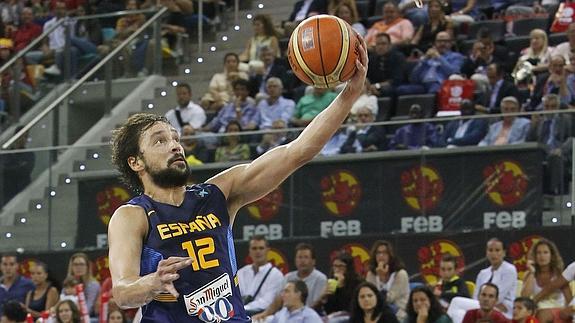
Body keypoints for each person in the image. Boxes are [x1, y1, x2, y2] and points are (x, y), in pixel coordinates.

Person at [107, 37, 368, 322]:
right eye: (160, 141)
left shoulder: (218, 192)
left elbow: (298, 151)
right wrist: (151, 283)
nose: (174, 145)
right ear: (136, 162)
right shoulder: (133, 215)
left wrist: (349, 95)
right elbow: (122, 291)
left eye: (175, 138)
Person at [252, 243, 328, 321]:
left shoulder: (320, 278)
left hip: (309, 315)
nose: (302, 261)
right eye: (299, 257)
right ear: (295, 260)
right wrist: (264, 314)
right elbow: (278, 300)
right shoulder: (288, 277)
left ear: (313, 261)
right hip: (287, 314)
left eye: (306, 257)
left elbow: (317, 304)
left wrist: (297, 312)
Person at [520, 238, 570, 323]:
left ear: (551, 255)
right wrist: (532, 272)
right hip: (536, 311)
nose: (542, 256)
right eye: (538, 253)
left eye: (545, 252)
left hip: (558, 311)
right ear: (534, 256)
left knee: (542, 314)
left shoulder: (559, 275)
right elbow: (525, 297)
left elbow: (569, 299)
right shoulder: (529, 274)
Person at [398, 32, 464, 95]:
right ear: (435, 43)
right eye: (439, 41)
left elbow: (452, 73)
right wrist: (424, 59)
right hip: (422, 84)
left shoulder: (456, 56)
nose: (442, 43)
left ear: (451, 43)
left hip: (439, 84)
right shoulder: (427, 57)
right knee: (401, 89)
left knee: (434, 89)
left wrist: (439, 57)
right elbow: (413, 78)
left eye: (445, 41)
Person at [237, 235, 284, 315]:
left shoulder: (276, 275)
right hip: (240, 315)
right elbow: (236, 295)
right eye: (254, 248)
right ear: (249, 251)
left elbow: (267, 301)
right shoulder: (241, 272)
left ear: (267, 250)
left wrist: (243, 308)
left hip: (264, 316)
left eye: (261, 248)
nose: (258, 251)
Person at [365, 240, 410, 321]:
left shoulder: (400, 274)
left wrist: (382, 278)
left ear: (390, 255)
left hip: (398, 312)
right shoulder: (371, 274)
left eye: (385, 253)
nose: (381, 256)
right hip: (377, 312)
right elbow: (368, 295)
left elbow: (388, 299)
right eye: (378, 253)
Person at [314, 252, 363, 318]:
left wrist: (341, 287)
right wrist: (325, 296)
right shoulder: (331, 281)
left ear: (348, 267)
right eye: (335, 266)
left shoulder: (358, 283)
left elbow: (350, 307)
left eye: (340, 266)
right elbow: (328, 309)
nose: (337, 269)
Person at [1, 126, 35, 207]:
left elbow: (26, 170)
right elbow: (3, 169)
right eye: (21, 136)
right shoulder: (5, 154)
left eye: (25, 136)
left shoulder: (29, 155)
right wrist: (19, 166)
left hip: (22, 190)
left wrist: (11, 168)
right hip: (7, 191)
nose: (23, 139)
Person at [367, 32, 406, 98]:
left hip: (392, 86)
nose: (380, 47)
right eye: (378, 44)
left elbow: (396, 80)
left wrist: (377, 85)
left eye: (383, 44)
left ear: (389, 45)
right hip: (373, 87)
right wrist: (368, 86)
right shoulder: (372, 58)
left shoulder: (398, 57)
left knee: (385, 90)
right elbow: (367, 77)